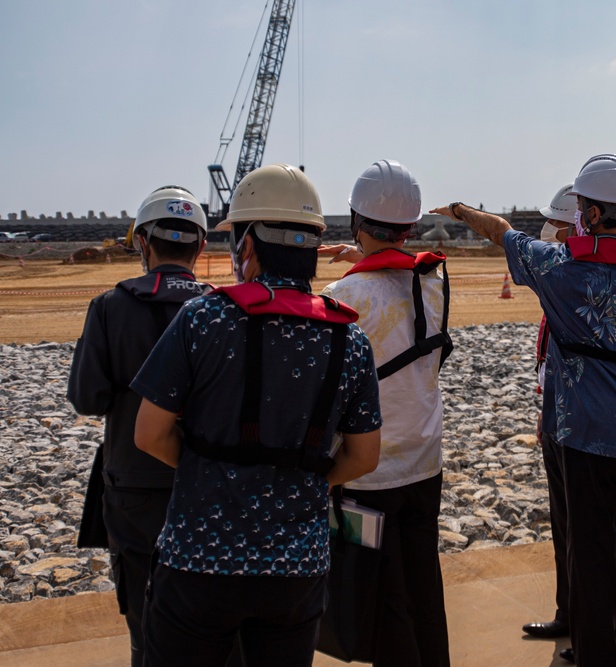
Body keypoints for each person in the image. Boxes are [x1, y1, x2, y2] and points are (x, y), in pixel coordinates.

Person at [431, 153, 616, 667]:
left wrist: (462, 210)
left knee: (593, 565)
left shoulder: (557, 268)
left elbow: (502, 231)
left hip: (586, 440)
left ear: (593, 215)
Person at [130, 164, 382, 666]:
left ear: (245, 246)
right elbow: (364, 456)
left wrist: (209, 470)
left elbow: (149, 434)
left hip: (199, 562)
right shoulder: (348, 339)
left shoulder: (202, 318)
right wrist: (311, 479)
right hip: (296, 570)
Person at [67, 185, 209, 667]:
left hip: (131, 486)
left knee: (145, 625)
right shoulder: (222, 308)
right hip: (206, 482)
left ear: (142, 243)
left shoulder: (110, 306)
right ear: (201, 247)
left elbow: (88, 399)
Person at [320, 159, 451, 666]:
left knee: (383, 605)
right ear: (411, 226)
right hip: (425, 461)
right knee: (422, 586)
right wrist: (365, 255)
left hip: (366, 472)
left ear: (356, 222)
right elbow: (398, 276)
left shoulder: (341, 297)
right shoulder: (435, 283)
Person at [520, 183, 616, 660]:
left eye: (556, 223)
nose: (547, 231)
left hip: (585, 424)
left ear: (579, 224)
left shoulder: (586, 275)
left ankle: (605, 634)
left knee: (596, 536)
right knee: (568, 528)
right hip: (559, 417)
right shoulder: (561, 275)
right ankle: (572, 616)